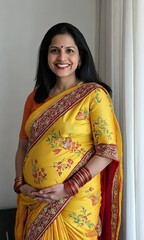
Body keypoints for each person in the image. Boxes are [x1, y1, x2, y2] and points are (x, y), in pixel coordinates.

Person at [14, 22, 122, 240]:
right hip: (35, 201)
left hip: (75, 203)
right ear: (46, 56)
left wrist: (69, 187)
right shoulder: (35, 98)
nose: (61, 57)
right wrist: (20, 184)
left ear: (80, 57)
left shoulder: (94, 95)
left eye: (69, 50)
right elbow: (23, 147)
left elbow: (107, 151)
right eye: (54, 50)